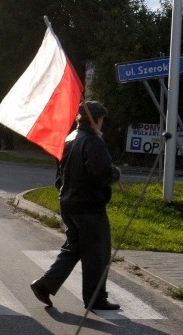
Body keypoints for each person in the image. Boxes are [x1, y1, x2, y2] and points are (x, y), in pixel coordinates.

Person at [30, 100, 121, 311]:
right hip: (89, 207)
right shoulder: (93, 142)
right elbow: (100, 174)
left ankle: (44, 285)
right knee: (98, 254)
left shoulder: (68, 139)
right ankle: (96, 299)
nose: (102, 124)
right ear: (96, 120)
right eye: (102, 120)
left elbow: (59, 176)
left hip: (68, 203)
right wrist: (115, 173)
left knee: (74, 249)